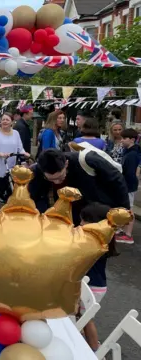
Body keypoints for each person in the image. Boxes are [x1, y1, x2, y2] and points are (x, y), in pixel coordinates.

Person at [29, 149, 129, 226]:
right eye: (51, 179)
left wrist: (123, 210)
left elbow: (117, 180)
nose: (57, 181)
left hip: (92, 208)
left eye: (60, 177)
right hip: (63, 211)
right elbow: (34, 197)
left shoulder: (88, 160)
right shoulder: (36, 171)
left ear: (66, 164)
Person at [79, 203, 118, 351]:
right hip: (95, 285)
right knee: (83, 317)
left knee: (86, 319)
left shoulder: (95, 242)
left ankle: (95, 348)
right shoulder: (103, 240)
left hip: (92, 286)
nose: (81, 224)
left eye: (85, 221)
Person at [0, 113, 28, 202]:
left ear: (12, 122)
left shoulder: (16, 133)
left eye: (7, 120)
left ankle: (4, 206)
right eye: (3, 119)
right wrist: (0, 154)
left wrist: (24, 153)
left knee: (7, 188)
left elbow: (20, 148)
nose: (5, 121)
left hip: (9, 167)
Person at [117, 128, 140, 244]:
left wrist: (123, 185)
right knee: (126, 208)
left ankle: (128, 234)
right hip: (128, 185)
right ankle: (124, 231)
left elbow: (130, 173)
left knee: (129, 209)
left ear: (132, 140)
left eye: (124, 138)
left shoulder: (132, 155)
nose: (121, 141)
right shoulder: (129, 152)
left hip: (128, 185)